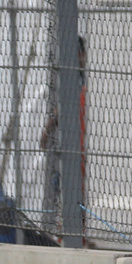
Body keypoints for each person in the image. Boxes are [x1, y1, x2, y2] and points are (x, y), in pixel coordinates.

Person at [40, 36, 87, 231]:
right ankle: (65, 227)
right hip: (69, 142)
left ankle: (73, 227)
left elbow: (65, 105)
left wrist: (48, 127)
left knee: (70, 185)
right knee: (62, 184)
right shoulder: (70, 75)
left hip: (75, 140)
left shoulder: (77, 76)